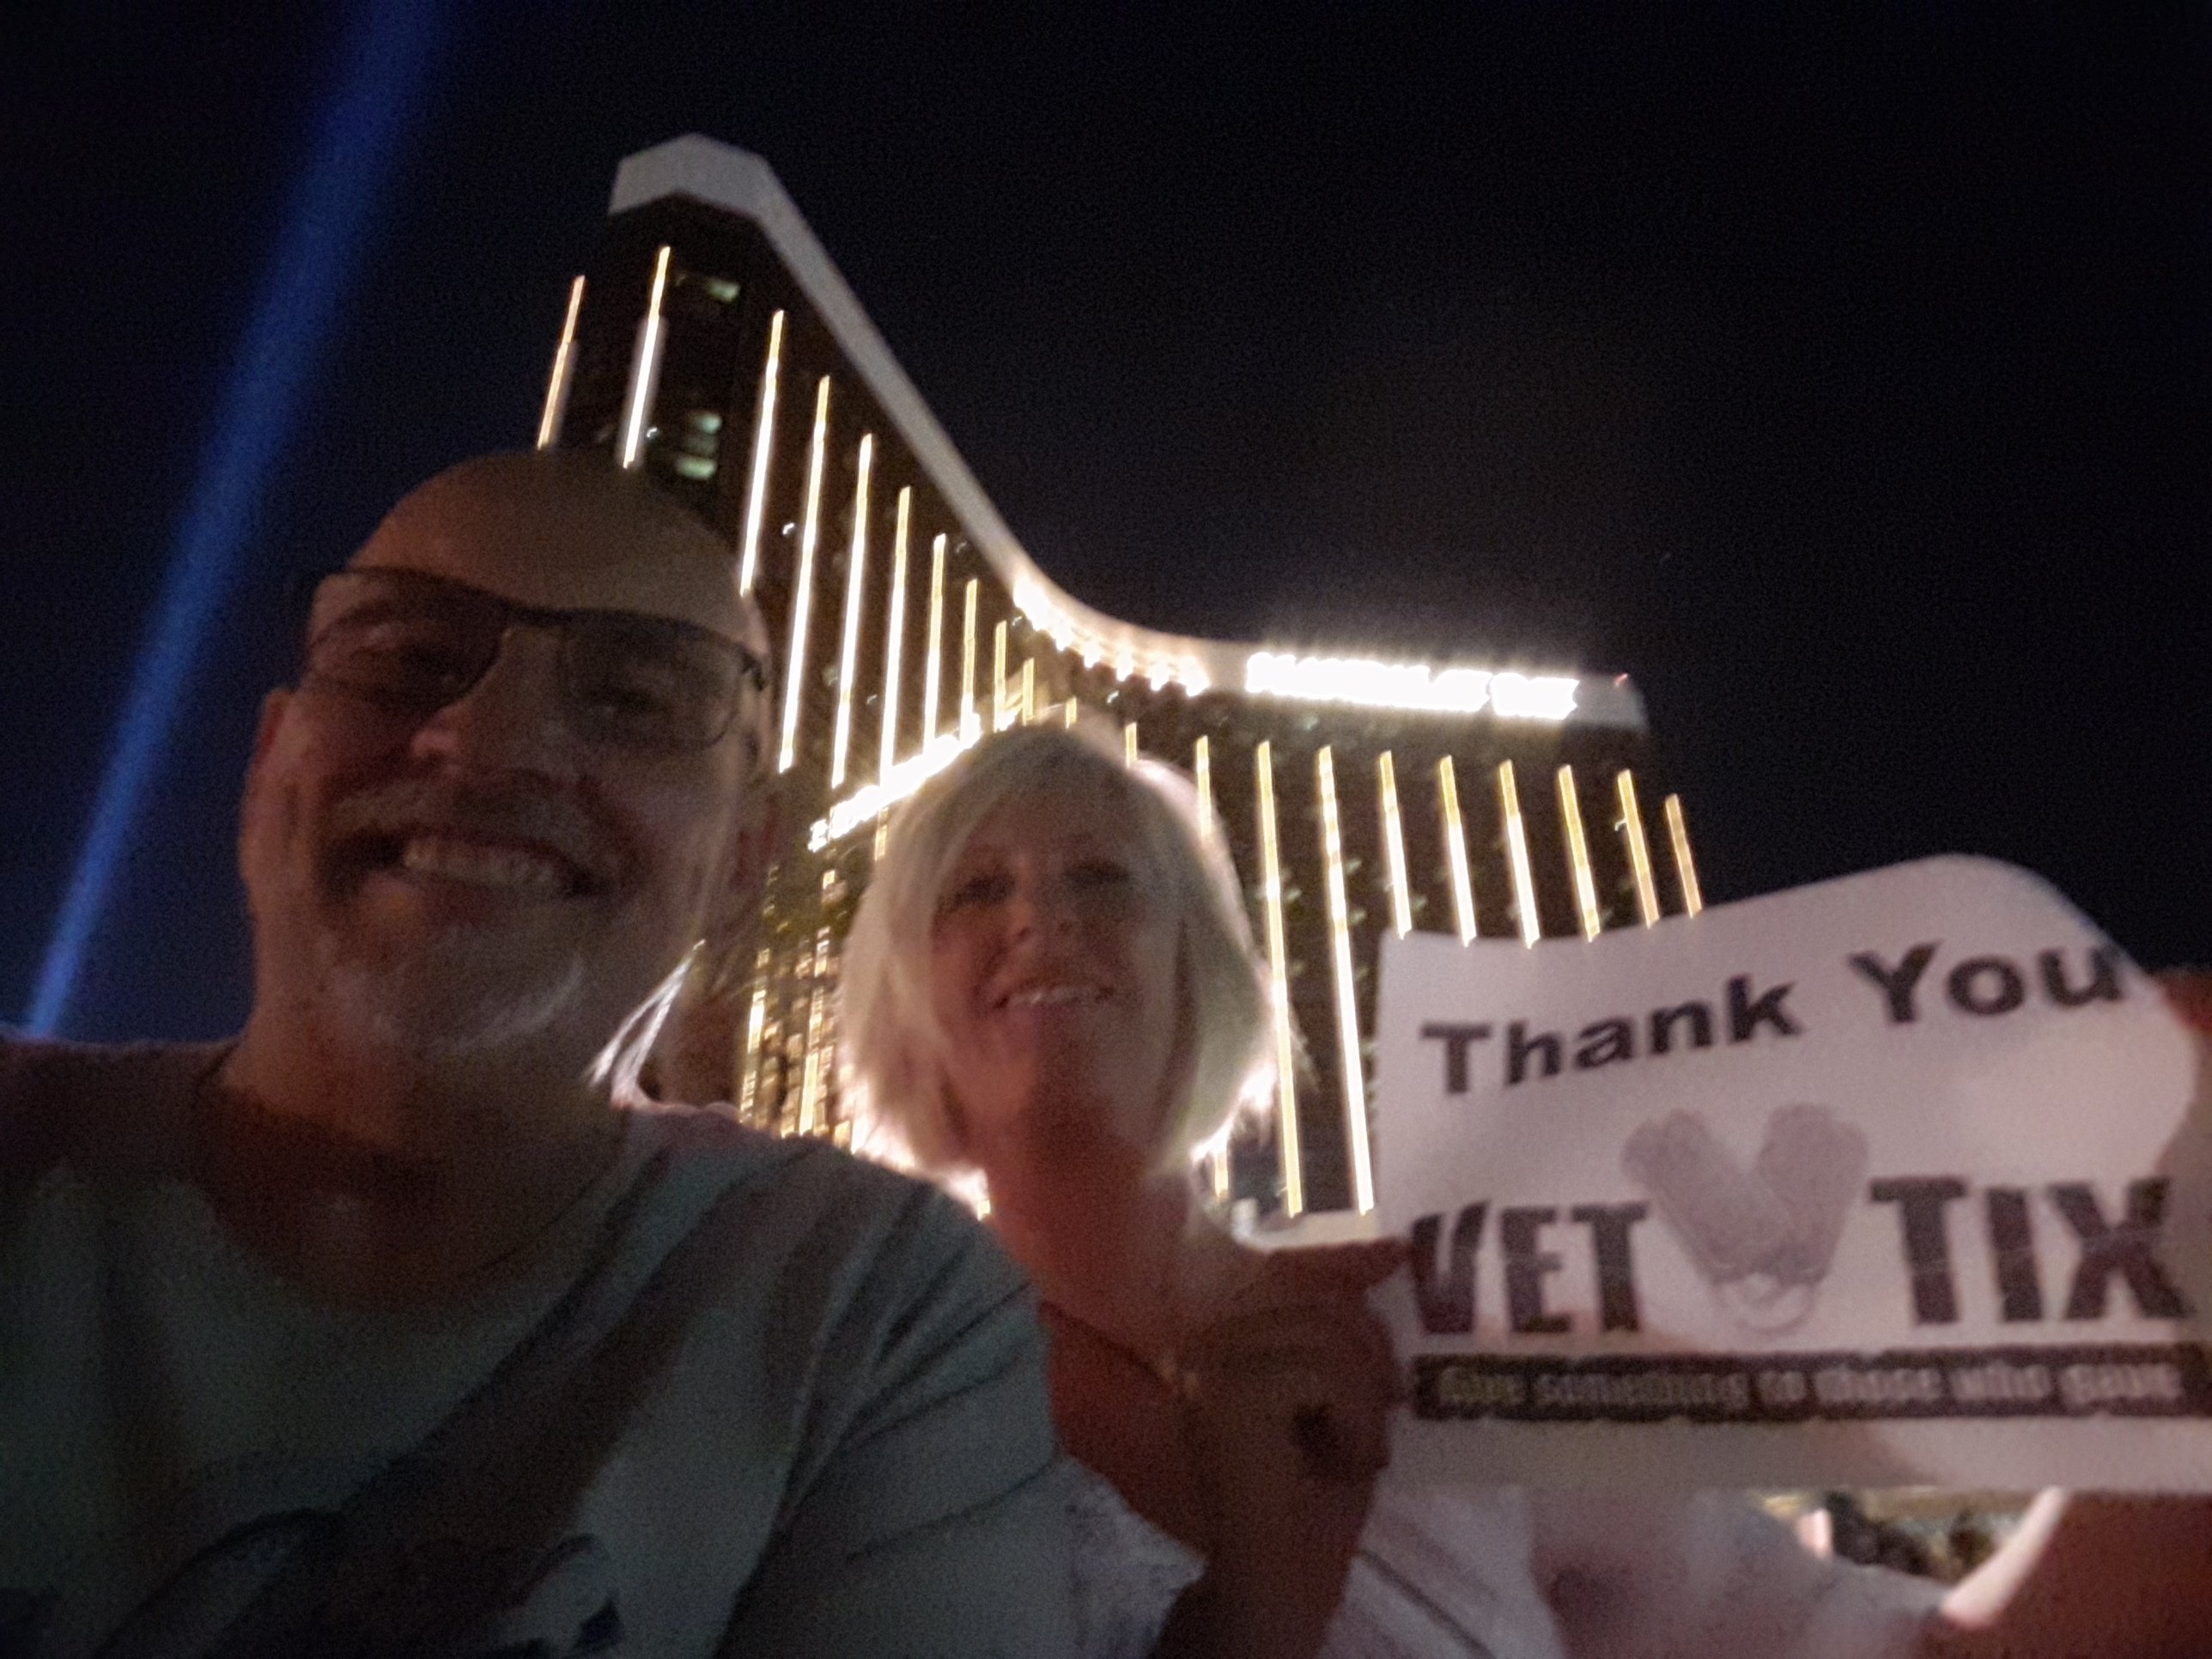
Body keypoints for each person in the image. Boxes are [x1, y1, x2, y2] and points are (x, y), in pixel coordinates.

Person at [0, 452, 1075, 1656]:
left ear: (744, 855)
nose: (487, 738)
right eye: (408, 656)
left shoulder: (869, 1306)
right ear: (268, 766)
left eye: (632, 698)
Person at [840, 719, 2212, 1659]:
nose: (1042, 916)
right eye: (974, 889)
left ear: (1201, 966)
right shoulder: (864, 1398)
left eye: (1103, 878)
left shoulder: (1449, 1342)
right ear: (903, 995)